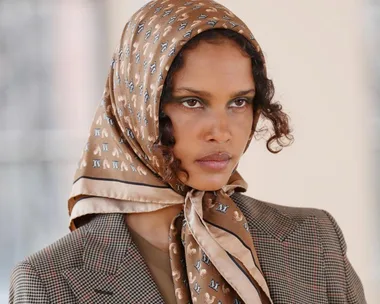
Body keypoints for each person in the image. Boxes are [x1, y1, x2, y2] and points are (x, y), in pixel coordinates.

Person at [9, 0, 366, 303]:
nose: (221, 132)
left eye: (239, 102)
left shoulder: (316, 242)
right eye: (192, 102)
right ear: (137, 108)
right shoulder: (49, 281)